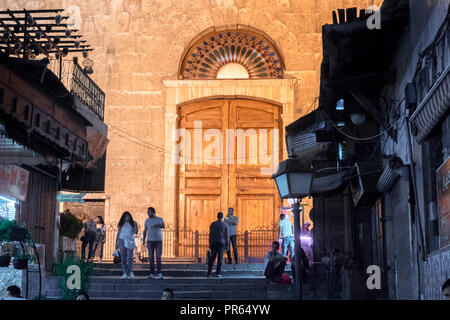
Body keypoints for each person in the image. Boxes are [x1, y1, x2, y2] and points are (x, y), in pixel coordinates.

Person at [143, 207, 165, 279]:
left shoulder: (159, 219)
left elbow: (163, 226)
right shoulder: (147, 220)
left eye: (149, 212)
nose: (148, 213)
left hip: (158, 241)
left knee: (158, 257)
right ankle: (151, 273)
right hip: (150, 241)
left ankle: (159, 273)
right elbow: (145, 230)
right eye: (148, 212)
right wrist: (143, 240)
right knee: (151, 258)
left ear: (153, 212)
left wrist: (156, 225)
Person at [115, 211, 138, 279]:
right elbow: (118, 234)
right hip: (122, 240)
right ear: (123, 217)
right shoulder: (121, 224)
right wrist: (116, 243)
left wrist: (135, 225)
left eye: (128, 216)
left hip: (130, 241)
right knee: (123, 257)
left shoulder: (133, 223)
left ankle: (130, 272)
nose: (127, 218)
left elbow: (136, 232)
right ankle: (124, 272)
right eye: (126, 216)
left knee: (130, 257)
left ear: (130, 217)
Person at [207, 211, 229, 277]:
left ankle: (209, 273)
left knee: (212, 258)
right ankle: (218, 273)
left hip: (214, 242)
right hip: (222, 243)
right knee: (220, 258)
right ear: (222, 217)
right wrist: (227, 246)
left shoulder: (212, 224)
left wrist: (210, 244)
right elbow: (227, 236)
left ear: (217, 216)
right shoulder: (225, 225)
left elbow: (210, 235)